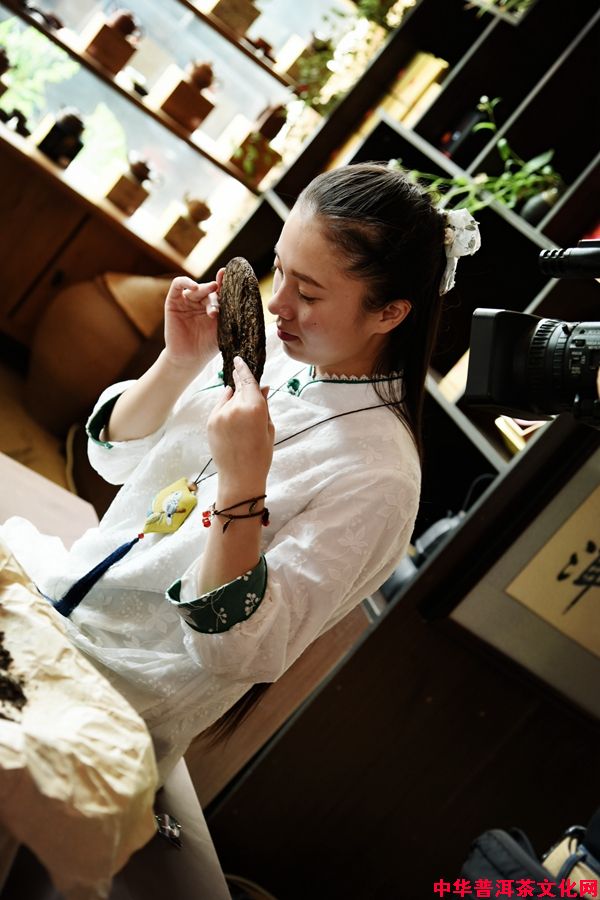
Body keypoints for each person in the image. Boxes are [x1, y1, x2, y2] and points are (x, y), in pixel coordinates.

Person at [0, 163, 480, 782]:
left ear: (389, 313)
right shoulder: (272, 349)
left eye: (309, 294)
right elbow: (112, 459)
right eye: (279, 268)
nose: (277, 303)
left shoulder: (379, 479)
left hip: (112, 702)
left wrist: (241, 482)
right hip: (58, 603)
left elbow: (237, 649)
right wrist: (178, 362)